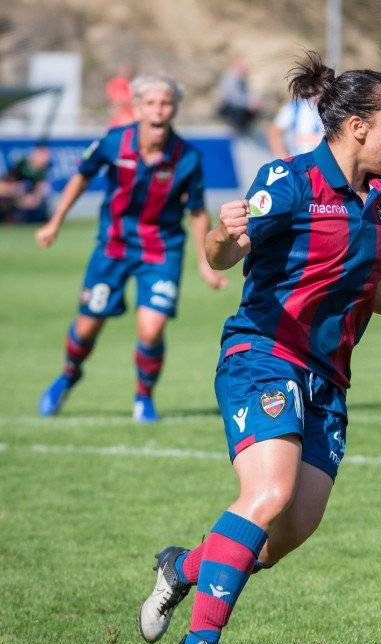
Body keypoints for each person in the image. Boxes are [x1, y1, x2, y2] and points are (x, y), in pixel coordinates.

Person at [137, 52, 381, 644]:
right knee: (268, 494)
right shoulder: (289, 180)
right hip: (264, 354)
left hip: (327, 378)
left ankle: (183, 568)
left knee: (290, 529)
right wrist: (223, 234)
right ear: (359, 126)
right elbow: (224, 254)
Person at [35, 75, 227, 422]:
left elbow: (198, 211)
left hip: (162, 250)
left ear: (175, 109)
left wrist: (205, 263)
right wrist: (55, 222)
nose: (158, 110)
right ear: (137, 108)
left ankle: (143, 398)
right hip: (113, 246)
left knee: (151, 329)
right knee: (87, 327)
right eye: (151, 103)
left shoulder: (187, 157)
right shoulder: (114, 142)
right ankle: (69, 374)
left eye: (165, 103)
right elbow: (82, 176)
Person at [0, 143, 51, 223]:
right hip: (14, 200)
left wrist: (35, 198)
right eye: (43, 155)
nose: (46, 159)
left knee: (39, 213)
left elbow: (41, 189)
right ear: (35, 155)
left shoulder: (42, 172)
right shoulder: (21, 166)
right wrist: (21, 198)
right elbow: (3, 187)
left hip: (29, 204)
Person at [216, 59, 262, 133]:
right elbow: (233, 98)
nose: (245, 72)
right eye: (243, 69)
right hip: (229, 109)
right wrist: (248, 104)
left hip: (237, 108)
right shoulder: (230, 80)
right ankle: (238, 129)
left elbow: (247, 95)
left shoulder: (242, 81)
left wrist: (254, 102)